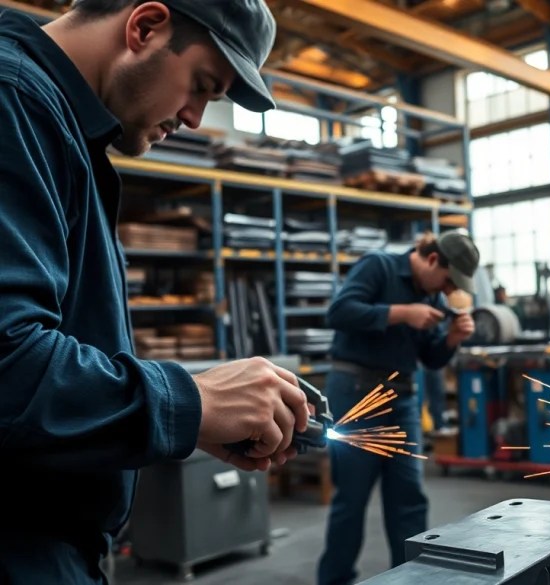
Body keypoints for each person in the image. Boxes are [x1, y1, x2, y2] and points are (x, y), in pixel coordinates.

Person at [0, 1, 310, 583]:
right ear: (144, 27)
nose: (194, 117)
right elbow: (8, 364)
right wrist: (190, 403)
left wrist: (194, 417)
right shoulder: (13, 102)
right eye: (201, 86)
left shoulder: (61, 125)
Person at [318, 231, 479, 585]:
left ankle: (411, 579)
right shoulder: (379, 266)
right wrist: (402, 313)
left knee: (409, 498)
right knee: (352, 498)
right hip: (357, 395)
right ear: (433, 259)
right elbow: (339, 312)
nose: (447, 290)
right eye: (447, 280)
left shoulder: (430, 296)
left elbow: (430, 358)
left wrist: (452, 338)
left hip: (402, 399)